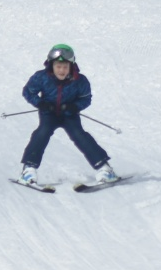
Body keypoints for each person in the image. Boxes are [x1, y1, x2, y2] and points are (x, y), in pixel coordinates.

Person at [17, 45, 122, 189]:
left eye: (65, 67)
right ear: (51, 65)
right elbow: (28, 92)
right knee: (42, 133)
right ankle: (28, 170)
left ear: (71, 66)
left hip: (69, 114)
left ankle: (105, 169)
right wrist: (41, 103)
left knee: (80, 135)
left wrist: (74, 106)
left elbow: (86, 98)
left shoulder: (80, 80)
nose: (62, 70)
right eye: (58, 66)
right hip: (49, 113)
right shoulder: (41, 77)